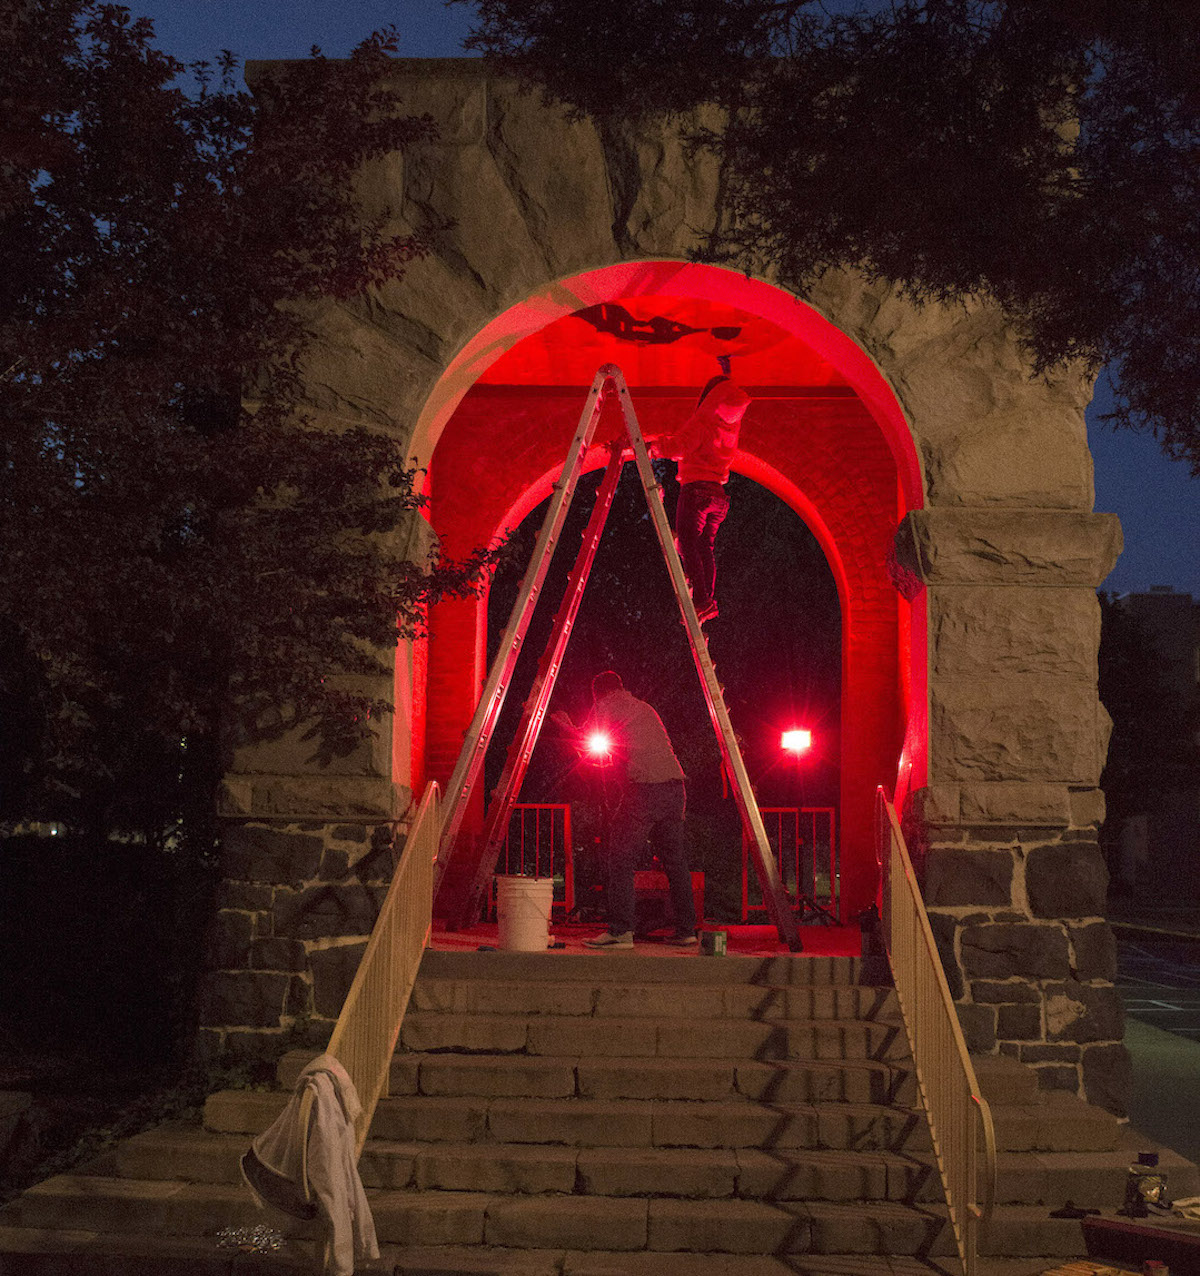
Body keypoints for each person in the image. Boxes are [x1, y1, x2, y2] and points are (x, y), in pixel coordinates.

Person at [552, 671, 698, 948]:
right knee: (676, 863)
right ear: (621, 686)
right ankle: (686, 930)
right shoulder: (644, 707)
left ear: (599, 693)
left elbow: (584, 738)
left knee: (620, 858)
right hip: (675, 789)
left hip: (645, 790)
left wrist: (564, 723)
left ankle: (621, 931)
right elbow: (636, 751)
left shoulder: (605, 705)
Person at [656, 370, 751, 624]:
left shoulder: (702, 422)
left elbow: (678, 447)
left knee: (688, 543)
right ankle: (706, 601)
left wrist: (654, 447)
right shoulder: (731, 426)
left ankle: (701, 601)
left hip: (696, 491)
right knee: (704, 547)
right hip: (718, 496)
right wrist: (728, 373)